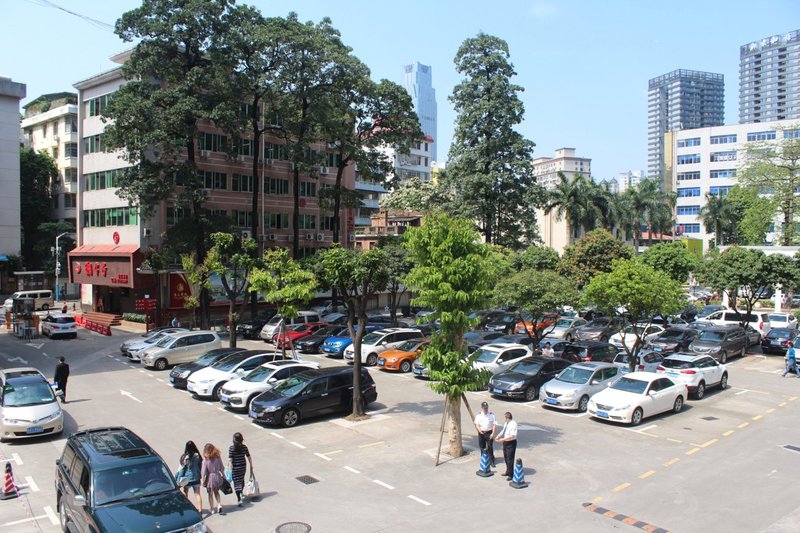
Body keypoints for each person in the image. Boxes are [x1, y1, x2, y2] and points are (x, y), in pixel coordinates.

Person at [228, 432, 254, 507]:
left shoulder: (231, 448)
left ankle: (239, 499)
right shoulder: (244, 447)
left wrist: (229, 468)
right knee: (241, 479)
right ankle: (241, 492)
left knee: (236, 483)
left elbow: (230, 459)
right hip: (243, 467)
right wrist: (251, 465)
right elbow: (248, 456)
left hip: (235, 467)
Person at [201, 443, 225, 515]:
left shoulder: (206, 459)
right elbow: (221, 467)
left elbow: (204, 470)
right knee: (216, 492)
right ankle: (219, 505)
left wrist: (202, 479)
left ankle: (212, 509)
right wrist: (223, 475)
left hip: (210, 478)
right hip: (217, 476)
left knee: (210, 494)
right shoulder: (217, 456)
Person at [180, 441, 203, 513]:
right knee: (198, 494)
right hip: (196, 477)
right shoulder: (197, 455)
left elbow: (182, 467)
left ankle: (186, 508)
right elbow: (200, 465)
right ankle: (200, 510)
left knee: (185, 493)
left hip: (187, 478)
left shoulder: (185, 457)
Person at [495, 411, 518, 479]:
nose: (504, 419)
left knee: (510, 458)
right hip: (505, 442)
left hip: (511, 443)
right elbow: (503, 431)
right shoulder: (506, 423)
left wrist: (503, 439)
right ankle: (508, 471)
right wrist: (498, 436)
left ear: (507, 417)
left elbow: (512, 435)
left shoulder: (513, 424)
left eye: (504, 417)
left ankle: (511, 474)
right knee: (506, 457)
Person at [473, 401, 496, 467]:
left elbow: (494, 425)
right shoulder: (479, 415)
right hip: (482, 433)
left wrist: (493, 433)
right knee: (482, 447)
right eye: (484, 408)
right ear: (482, 408)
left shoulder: (491, 415)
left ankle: (492, 461)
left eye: (486, 408)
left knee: (490, 447)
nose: (485, 409)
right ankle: (483, 460)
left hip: (489, 433)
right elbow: (477, 424)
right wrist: (479, 430)